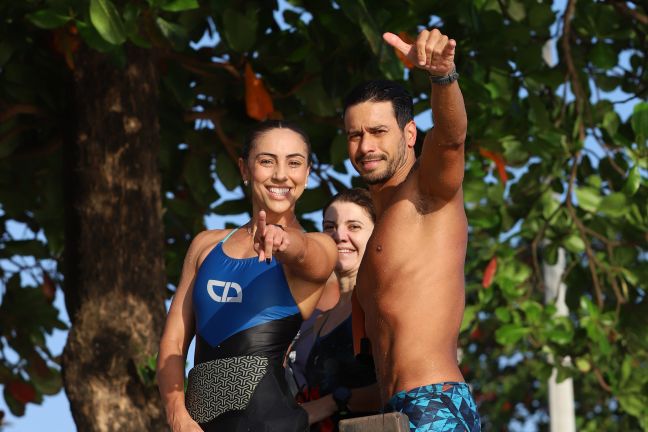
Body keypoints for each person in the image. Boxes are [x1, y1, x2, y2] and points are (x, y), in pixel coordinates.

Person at [157, 120, 338, 432]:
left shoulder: (318, 246)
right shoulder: (205, 245)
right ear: (244, 169)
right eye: (267, 161)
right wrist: (177, 413)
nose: (281, 174)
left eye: (294, 163)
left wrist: (284, 240)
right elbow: (173, 341)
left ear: (307, 174)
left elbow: (311, 256)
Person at [342, 29, 481, 431]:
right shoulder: (374, 238)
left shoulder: (427, 191)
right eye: (355, 134)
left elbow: (452, 139)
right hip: (386, 415)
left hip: (432, 400)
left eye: (378, 131)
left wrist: (442, 77)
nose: (366, 146)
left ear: (409, 134)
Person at [289, 188, 381, 431]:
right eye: (330, 226)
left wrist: (332, 402)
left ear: (377, 235)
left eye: (354, 227)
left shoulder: (380, 305)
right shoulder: (319, 322)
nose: (339, 235)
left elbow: (403, 385)